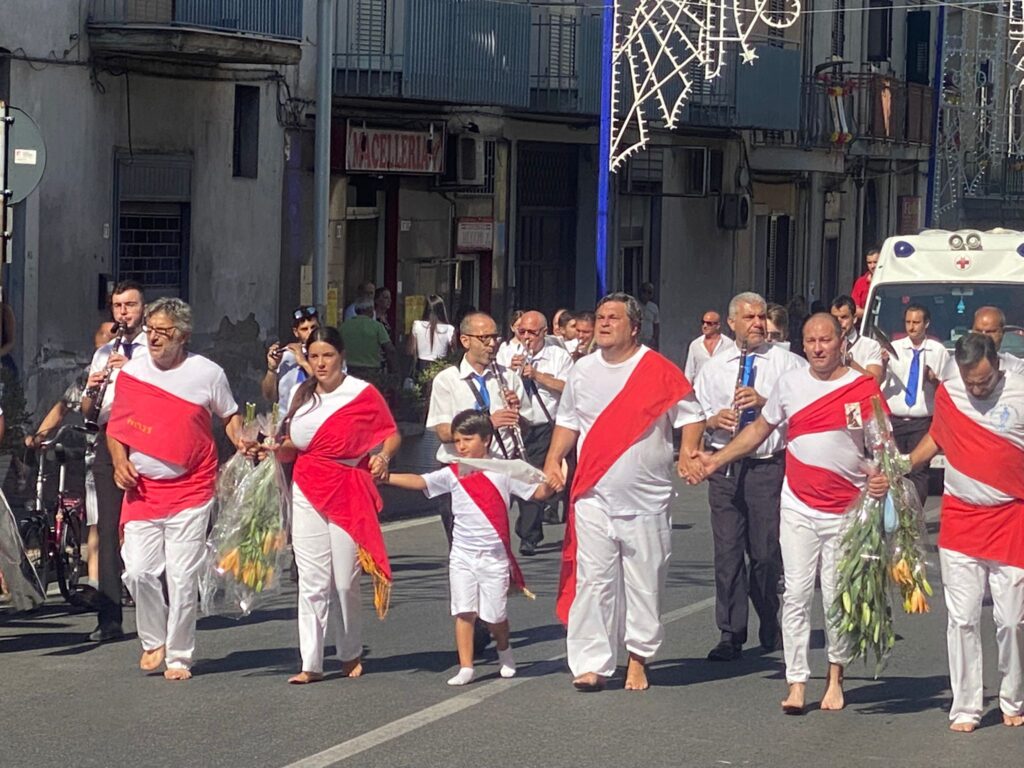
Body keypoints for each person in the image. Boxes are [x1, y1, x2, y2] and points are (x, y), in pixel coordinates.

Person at [695, 313, 888, 714]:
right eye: (811, 341)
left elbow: (882, 448)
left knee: (836, 597)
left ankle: (835, 677)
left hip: (846, 509)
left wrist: (880, 480)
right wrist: (715, 461)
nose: (818, 348)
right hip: (799, 505)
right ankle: (797, 681)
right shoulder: (790, 385)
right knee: (797, 594)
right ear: (803, 345)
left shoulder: (862, 388)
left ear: (841, 343)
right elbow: (757, 432)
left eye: (826, 340)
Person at [544, 292, 706, 692]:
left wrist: (687, 452)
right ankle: (592, 663)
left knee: (644, 582)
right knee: (593, 581)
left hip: (646, 499)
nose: (602, 323)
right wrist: (553, 460)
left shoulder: (658, 370)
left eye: (613, 317)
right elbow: (568, 421)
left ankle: (638, 658)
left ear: (634, 327)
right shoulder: (582, 371)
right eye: (600, 316)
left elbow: (692, 415)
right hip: (593, 495)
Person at [106, 298, 244, 680]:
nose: (153, 338)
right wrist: (120, 462)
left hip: (192, 489)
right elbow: (116, 429)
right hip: (143, 491)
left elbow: (229, 415)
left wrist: (243, 440)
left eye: (162, 332)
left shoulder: (207, 373)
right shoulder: (132, 373)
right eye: (150, 330)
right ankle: (153, 640)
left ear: (182, 335)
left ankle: (179, 655)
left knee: (182, 578)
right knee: (137, 571)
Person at [908, 332, 1024, 732]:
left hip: (1011, 517)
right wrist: (905, 463)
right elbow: (938, 437)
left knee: (1011, 621)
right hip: (961, 518)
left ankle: (1013, 697)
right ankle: (967, 706)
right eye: (970, 381)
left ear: (997, 364)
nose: (976, 388)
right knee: (963, 619)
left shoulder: (1021, 384)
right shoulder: (950, 391)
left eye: (984, 381)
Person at [385, 410, 552, 685]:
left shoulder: (506, 470)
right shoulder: (453, 471)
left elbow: (536, 492)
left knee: (494, 615)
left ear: (486, 440)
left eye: (467, 439)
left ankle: (504, 649)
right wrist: (385, 478)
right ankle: (466, 666)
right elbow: (421, 482)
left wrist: (552, 484)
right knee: (464, 611)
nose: (461, 446)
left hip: (494, 557)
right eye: (457, 440)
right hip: (462, 554)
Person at [272, 326, 400, 684]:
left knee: (344, 580)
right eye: (313, 356)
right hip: (307, 486)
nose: (320, 363)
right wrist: (270, 447)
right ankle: (310, 662)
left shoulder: (361, 393)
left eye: (327, 355)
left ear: (341, 356)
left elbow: (390, 433)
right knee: (311, 580)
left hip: (347, 487)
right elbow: (291, 446)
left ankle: (350, 649)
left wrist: (384, 457)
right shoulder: (302, 395)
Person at [694, 293, 804, 661]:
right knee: (727, 552)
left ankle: (769, 618)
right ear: (732, 323)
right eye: (749, 318)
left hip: (766, 465)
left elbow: (802, 414)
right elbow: (695, 415)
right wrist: (712, 421)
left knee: (765, 552)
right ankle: (730, 632)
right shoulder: (714, 367)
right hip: (724, 467)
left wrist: (764, 402)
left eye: (761, 316)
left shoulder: (787, 363)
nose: (757, 323)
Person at [81, 281, 151, 643]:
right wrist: (92, 389)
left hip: (147, 438)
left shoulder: (153, 353)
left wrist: (134, 371)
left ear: (144, 308)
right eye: (118, 306)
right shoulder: (103, 352)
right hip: (109, 437)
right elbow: (88, 410)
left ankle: (161, 609)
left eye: (130, 305)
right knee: (107, 530)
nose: (123, 312)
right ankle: (109, 619)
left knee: (151, 526)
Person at [25, 321, 118, 588]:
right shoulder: (88, 377)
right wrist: (41, 435)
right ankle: (96, 583)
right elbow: (63, 407)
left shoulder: (138, 369)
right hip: (97, 454)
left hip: (133, 453)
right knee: (97, 521)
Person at [426, 312, 532, 541]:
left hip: (498, 469)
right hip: (461, 469)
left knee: (495, 543)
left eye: (495, 337)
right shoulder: (447, 380)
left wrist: (517, 415)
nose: (492, 344)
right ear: (466, 341)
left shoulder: (509, 378)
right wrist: (488, 424)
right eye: (484, 338)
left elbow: (524, 427)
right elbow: (444, 432)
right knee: (462, 545)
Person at [498, 310, 573, 555]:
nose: (526, 337)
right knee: (515, 477)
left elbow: (569, 388)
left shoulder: (558, 356)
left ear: (544, 332)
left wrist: (538, 375)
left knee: (536, 477)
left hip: (544, 425)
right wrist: (511, 373)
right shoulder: (506, 352)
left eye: (532, 332)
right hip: (515, 425)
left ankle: (529, 535)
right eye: (522, 332)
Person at [880, 304, 955, 505]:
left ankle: (915, 516)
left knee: (918, 470)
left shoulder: (938, 351)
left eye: (916, 322)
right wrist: (884, 363)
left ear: (926, 324)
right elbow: (879, 381)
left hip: (921, 421)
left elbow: (947, 390)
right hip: (895, 419)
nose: (911, 327)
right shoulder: (894, 348)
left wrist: (932, 379)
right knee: (893, 468)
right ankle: (896, 514)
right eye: (908, 322)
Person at [262, 305, 320, 412]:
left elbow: (329, 387)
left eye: (313, 328)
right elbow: (269, 397)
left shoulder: (329, 355)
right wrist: (272, 369)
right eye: (304, 329)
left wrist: (303, 363)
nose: (310, 333)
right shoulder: (286, 356)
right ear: (296, 332)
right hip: (286, 418)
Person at [340, 300, 398, 384]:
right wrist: (394, 370)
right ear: (370, 310)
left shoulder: (344, 326)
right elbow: (389, 349)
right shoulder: (377, 327)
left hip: (350, 370)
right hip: (371, 371)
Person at [830, 295, 883, 383]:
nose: (839, 322)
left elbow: (875, 381)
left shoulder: (871, 346)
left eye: (844, 317)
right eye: (835, 318)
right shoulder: (824, 345)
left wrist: (850, 362)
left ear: (854, 319)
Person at [684, 310, 736, 381]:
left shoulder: (729, 344)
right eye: (703, 322)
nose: (705, 326)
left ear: (718, 326)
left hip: (720, 388)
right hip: (700, 389)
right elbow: (689, 372)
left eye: (709, 323)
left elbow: (733, 370)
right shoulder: (695, 345)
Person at [972, 305, 1024, 375]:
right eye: (978, 331)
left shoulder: (1016, 367)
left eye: (989, 331)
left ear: (1002, 333)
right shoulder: (954, 366)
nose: (983, 336)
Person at [408, 295, 455, 372]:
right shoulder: (449, 329)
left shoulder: (417, 325)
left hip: (421, 367)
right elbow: (453, 354)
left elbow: (410, 350)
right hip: (441, 367)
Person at [851, 248, 880, 320]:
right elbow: (855, 309)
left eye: (875, 262)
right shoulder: (860, 282)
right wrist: (873, 314)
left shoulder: (888, 281)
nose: (872, 266)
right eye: (869, 263)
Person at [639, 282, 661, 350]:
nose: (646, 294)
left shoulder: (654, 307)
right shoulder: (634, 305)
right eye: (644, 291)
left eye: (649, 292)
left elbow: (656, 325)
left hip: (649, 341)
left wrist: (655, 340)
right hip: (636, 341)